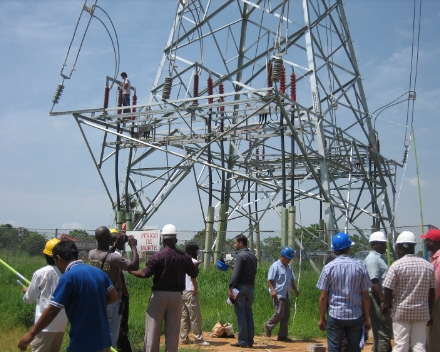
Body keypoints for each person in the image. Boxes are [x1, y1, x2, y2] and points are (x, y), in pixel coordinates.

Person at [18, 240, 119, 352]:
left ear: (59, 258)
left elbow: (52, 310)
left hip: (83, 343)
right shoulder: (98, 273)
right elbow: (114, 297)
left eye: (55, 261)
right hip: (104, 341)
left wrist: (31, 334)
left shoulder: (68, 277)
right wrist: (92, 305)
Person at [129, 224, 199, 352]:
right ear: (176, 240)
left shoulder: (158, 256)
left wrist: (130, 270)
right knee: (173, 332)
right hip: (177, 297)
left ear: (163, 240)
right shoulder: (184, 257)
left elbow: (145, 273)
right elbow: (194, 273)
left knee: (153, 331)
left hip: (159, 296)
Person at [316, 232, 372, 352]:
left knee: (334, 348)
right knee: (354, 349)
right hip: (355, 315)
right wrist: (366, 318)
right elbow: (365, 297)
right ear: (348, 248)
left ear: (335, 250)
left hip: (335, 314)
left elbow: (323, 297)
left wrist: (322, 318)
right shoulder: (360, 267)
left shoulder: (328, 268)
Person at [382, 231, 436, 352]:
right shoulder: (428, 266)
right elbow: (432, 292)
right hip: (421, 312)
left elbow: (387, 289)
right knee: (420, 345)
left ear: (401, 247)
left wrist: (387, 305)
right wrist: (430, 311)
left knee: (401, 345)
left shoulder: (396, 266)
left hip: (401, 312)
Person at [89, 226, 139, 348]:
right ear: (107, 238)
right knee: (111, 337)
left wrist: (115, 246)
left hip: (97, 300)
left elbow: (105, 256)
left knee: (98, 334)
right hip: (112, 300)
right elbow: (134, 266)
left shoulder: (91, 254)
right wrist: (133, 246)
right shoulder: (114, 257)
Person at [22, 238, 68, 352]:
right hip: (61, 324)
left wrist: (26, 293)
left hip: (44, 326)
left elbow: (30, 298)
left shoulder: (41, 273)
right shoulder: (67, 272)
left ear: (46, 256)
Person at [364, 231, 393, 352]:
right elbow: (374, 281)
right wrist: (382, 300)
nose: (385, 246)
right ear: (375, 244)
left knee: (382, 331)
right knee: (383, 331)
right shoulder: (372, 259)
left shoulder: (378, 258)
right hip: (377, 297)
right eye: (383, 244)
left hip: (379, 296)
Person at [263, 246, 300, 342]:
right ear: (282, 256)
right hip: (278, 293)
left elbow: (291, 281)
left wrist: (295, 290)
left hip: (287, 294)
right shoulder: (275, 266)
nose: (289, 260)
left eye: (290, 259)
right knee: (280, 312)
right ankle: (268, 324)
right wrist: (273, 290)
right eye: (288, 258)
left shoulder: (289, 268)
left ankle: (282, 336)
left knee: (286, 315)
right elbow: (270, 280)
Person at [229, 234, 257, 348]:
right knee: (248, 313)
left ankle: (243, 340)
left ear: (241, 243)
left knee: (241, 314)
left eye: (235, 243)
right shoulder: (252, 256)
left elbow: (236, 274)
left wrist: (231, 286)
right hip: (250, 288)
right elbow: (253, 271)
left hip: (240, 288)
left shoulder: (240, 256)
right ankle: (250, 340)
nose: (234, 245)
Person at [179, 242, 210, 346]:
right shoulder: (193, 261)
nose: (198, 252)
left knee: (184, 316)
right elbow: (193, 277)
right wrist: (195, 288)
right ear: (194, 251)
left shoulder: (181, 260)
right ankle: (198, 339)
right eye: (197, 250)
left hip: (182, 291)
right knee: (195, 316)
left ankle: (183, 338)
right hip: (190, 291)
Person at [421, 228, 440, 352]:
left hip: (437, 301)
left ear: (432, 242)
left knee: (434, 335)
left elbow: (436, 285)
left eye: (426, 240)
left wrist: (430, 305)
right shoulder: (434, 258)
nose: (425, 243)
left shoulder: (438, 260)